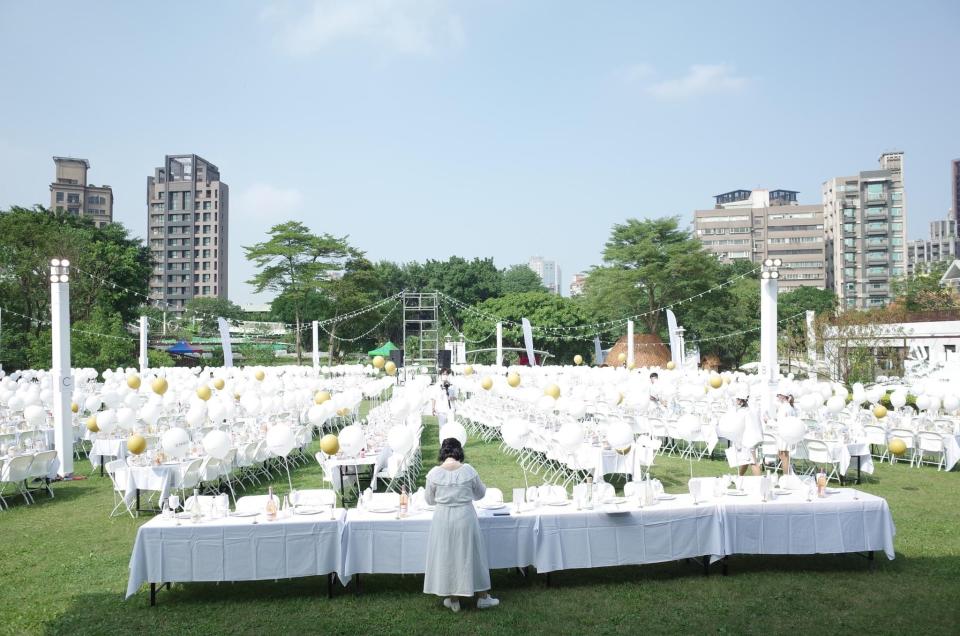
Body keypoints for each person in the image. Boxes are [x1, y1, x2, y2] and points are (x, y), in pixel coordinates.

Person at [423, 438, 499, 612]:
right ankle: (483, 597)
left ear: (443, 452)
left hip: (443, 518)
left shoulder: (434, 473)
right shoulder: (468, 471)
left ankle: (453, 599)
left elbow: (429, 500)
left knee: (448, 557)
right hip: (465, 517)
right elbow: (480, 494)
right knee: (473, 555)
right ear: (459, 451)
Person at [730, 391, 763, 476]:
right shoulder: (753, 409)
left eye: (737, 399)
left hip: (749, 439)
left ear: (740, 400)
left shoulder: (743, 411)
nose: (736, 401)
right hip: (756, 437)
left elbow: (737, 426)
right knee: (746, 459)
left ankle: (760, 483)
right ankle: (739, 477)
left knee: (753, 462)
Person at [773, 392, 798, 474]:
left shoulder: (784, 407)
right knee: (783, 456)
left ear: (783, 396)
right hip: (787, 433)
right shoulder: (790, 407)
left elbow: (780, 422)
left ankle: (786, 476)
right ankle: (786, 476)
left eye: (778, 395)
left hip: (784, 434)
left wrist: (769, 421)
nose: (777, 397)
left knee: (784, 456)